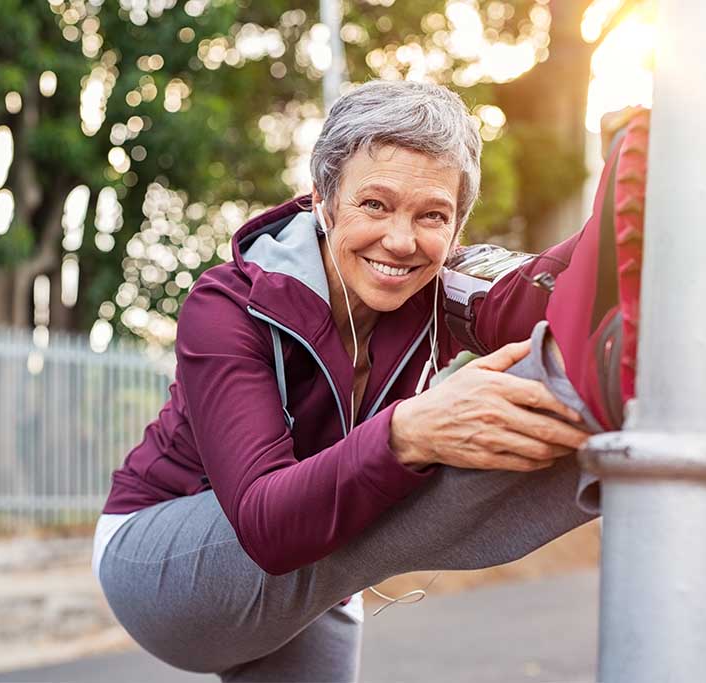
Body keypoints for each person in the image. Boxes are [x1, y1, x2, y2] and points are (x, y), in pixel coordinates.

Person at [92, 80, 648, 682]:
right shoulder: (230, 303)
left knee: (537, 364)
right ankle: (618, 397)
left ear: (457, 226)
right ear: (325, 203)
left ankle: (635, 383)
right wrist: (408, 433)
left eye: (432, 215)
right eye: (375, 205)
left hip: (322, 576)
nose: (402, 241)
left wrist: (638, 197)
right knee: (455, 430)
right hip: (165, 563)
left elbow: (540, 296)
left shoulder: (440, 289)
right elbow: (265, 524)